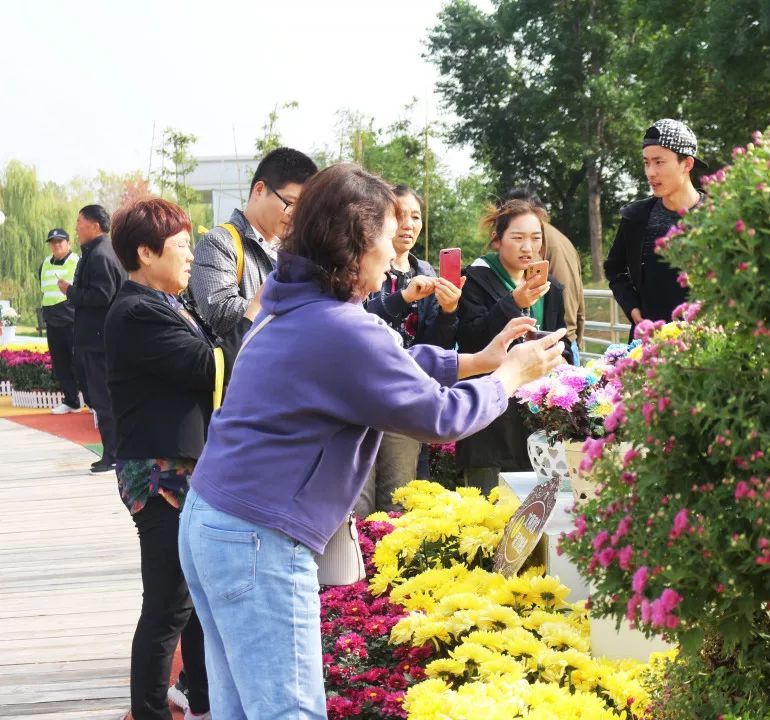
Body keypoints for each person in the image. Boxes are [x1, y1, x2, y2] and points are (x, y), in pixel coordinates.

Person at [178, 164, 565, 718]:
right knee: (288, 711)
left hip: (217, 520)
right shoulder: (338, 325)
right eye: (387, 234)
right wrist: (508, 378)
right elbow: (438, 416)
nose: (392, 252)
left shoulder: (296, 302)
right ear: (356, 240)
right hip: (257, 536)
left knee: (242, 708)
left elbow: (392, 362)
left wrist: (478, 361)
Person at [106, 198, 257, 720]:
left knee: (194, 601)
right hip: (160, 474)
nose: (191, 257)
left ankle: (205, 704)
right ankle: (148, 712)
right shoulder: (136, 311)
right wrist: (255, 310)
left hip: (186, 470)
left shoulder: (168, 304)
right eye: (181, 247)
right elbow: (207, 366)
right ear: (146, 253)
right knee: (169, 605)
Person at [356, 185, 462, 516]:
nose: (408, 224)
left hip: (405, 396)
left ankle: (386, 566)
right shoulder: (365, 266)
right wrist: (403, 298)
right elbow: (355, 321)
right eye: (400, 216)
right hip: (361, 394)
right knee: (356, 500)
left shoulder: (427, 273)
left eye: (415, 216)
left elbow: (435, 346)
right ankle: (350, 567)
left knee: (397, 500)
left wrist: (447, 312)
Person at [456, 199, 573, 493]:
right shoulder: (474, 280)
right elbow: (470, 338)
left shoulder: (551, 289)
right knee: (486, 512)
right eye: (517, 238)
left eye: (535, 238)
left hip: (535, 422)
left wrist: (562, 356)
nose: (527, 248)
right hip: (489, 423)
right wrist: (513, 304)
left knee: (534, 515)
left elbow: (564, 339)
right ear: (498, 240)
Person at [188, 146, 317, 337]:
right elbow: (221, 311)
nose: (296, 216)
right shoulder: (218, 243)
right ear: (259, 190)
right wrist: (296, 307)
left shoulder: (295, 251)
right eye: (290, 204)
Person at [604, 118, 707, 331]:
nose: (651, 172)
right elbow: (615, 270)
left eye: (659, 162)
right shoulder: (636, 217)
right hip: (650, 346)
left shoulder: (718, 216)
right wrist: (632, 308)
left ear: (687, 164)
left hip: (708, 345)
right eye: (646, 162)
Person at [59, 204, 126, 473]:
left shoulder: (100, 254)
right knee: (102, 397)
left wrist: (71, 291)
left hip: (99, 341)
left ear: (95, 226)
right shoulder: (103, 251)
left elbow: (101, 297)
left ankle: (112, 454)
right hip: (99, 338)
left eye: (80, 222)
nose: (76, 228)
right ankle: (114, 452)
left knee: (103, 397)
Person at [502, 187, 586, 364]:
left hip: (557, 345)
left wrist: (566, 346)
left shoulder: (541, 241)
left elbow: (559, 293)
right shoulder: (556, 238)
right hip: (564, 341)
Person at [40, 227, 81, 414]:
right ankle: (71, 401)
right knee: (60, 363)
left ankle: (93, 401)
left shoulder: (77, 261)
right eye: (52, 242)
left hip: (72, 319)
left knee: (79, 361)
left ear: (68, 243)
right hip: (52, 320)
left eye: (60, 241)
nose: (56, 245)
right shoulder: (45, 264)